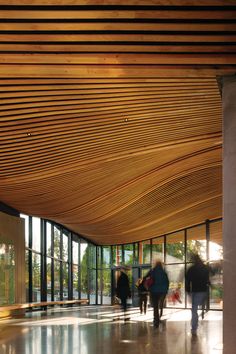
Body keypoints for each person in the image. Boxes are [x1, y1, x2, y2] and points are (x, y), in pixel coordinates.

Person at [185, 253, 210, 336]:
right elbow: (207, 279)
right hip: (203, 290)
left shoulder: (191, 269)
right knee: (195, 307)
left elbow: (187, 280)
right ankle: (202, 309)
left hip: (195, 291)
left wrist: (188, 290)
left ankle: (194, 328)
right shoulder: (205, 267)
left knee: (194, 309)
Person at [145, 259, 169, 328]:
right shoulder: (164, 272)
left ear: (155, 264)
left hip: (154, 291)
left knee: (155, 307)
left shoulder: (152, 271)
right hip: (162, 292)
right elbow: (167, 282)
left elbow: (146, 277)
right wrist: (166, 291)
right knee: (161, 304)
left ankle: (156, 322)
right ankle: (160, 315)